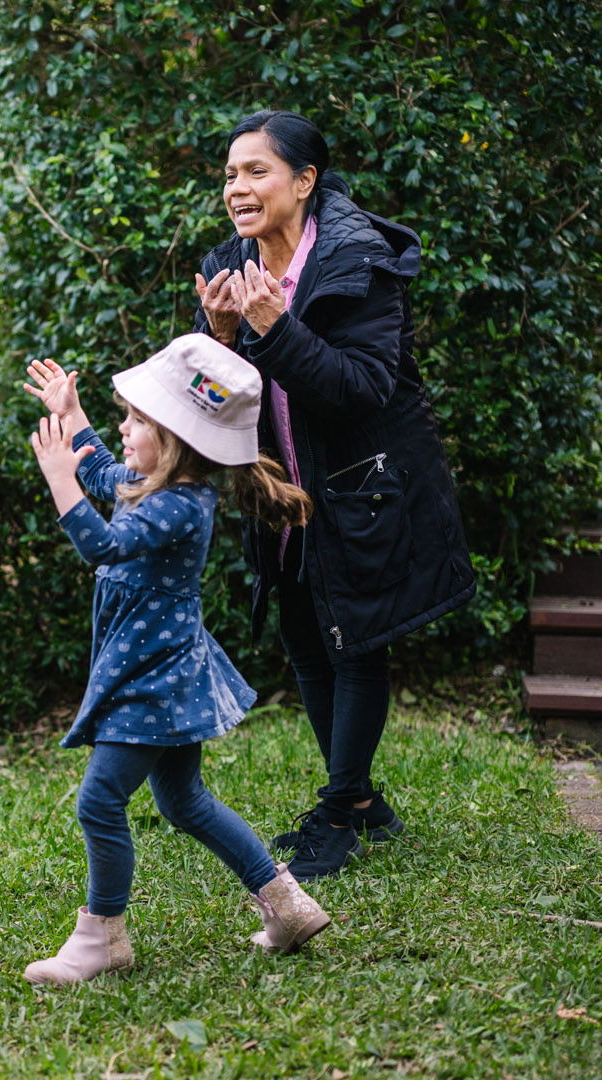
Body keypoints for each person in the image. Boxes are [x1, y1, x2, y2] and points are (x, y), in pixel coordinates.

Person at [193, 110, 475, 880]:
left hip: (360, 492)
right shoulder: (230, 264)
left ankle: (341, 807)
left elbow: (361, 389)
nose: (237, 188)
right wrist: (218, 338)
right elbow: (211, 408)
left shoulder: (358, 261)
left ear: (305, 181)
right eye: (229, 174)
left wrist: (274, 327)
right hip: (282, 497)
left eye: (256, 171)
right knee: (306, 643)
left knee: (356, 643)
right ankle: (360, 805)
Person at [21, 334, 331, 986]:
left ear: (177, 441)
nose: (122, 428)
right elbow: (106, 469)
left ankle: (101, 936)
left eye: (137, 420)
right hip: (165, 670)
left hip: (152, 681)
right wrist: (71, 413)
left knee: (99, 802)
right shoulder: (155, 483)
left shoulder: (178, 506)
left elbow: (105, 544)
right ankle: (288, 906)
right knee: (184, 800)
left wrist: (58, 480)